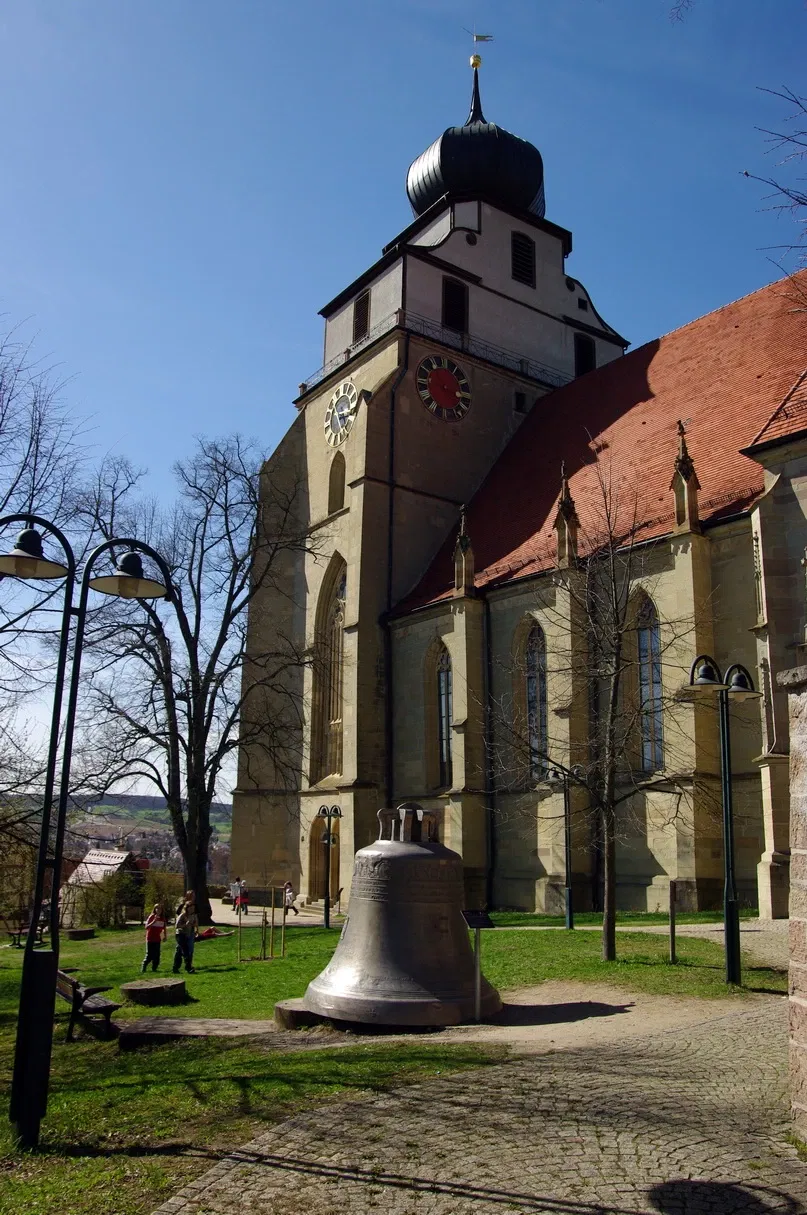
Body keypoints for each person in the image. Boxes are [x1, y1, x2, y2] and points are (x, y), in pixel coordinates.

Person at [173, 895, 198, 974]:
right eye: (191, 908)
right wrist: (185, 924)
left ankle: (176, 968)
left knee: (180, 951)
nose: (192, 909)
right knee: (185, 951)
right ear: (187, 908)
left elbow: (195, 924)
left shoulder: (193, 915)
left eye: (193, 908)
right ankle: (188, 968)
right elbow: (177, 926)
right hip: (180, 934)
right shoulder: (182, 915)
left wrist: (194, 926)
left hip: (187, 934)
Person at [142, 904, 167, 973]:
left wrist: (165, 936)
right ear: (155, 909)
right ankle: (144, 966)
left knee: (157, 955)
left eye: (160, 909)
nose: (158, 910)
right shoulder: (152, 916)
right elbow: (146, 927)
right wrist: (154, 921)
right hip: (150, 938)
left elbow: (164, 928)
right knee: (149, 955)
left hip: (157, 939)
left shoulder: (162, 918)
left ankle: (154, 968)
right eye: (157, 908)